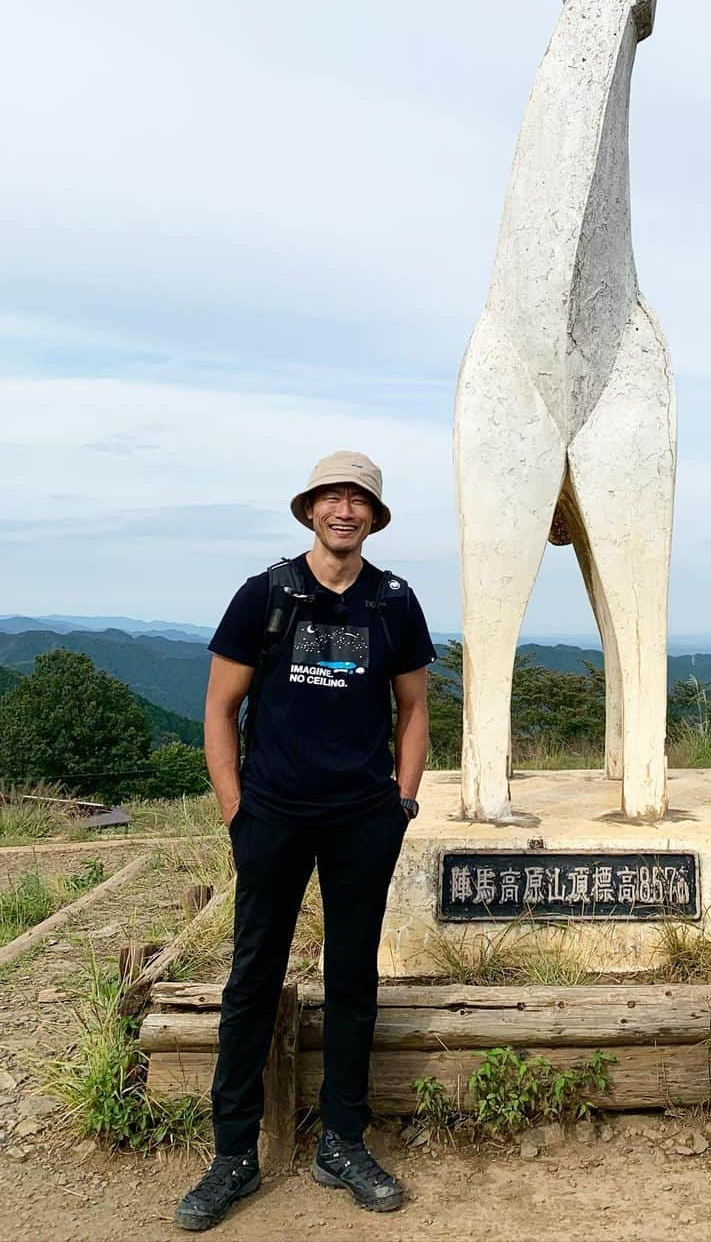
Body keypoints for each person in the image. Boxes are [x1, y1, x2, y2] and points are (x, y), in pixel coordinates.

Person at [174, 451, 435, 1232]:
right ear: (310, 510)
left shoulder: (394, 603)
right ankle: (232, 1155)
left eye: (358, 500)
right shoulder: (266, 595)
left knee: (354, 979)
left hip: (363, 819)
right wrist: (236, 812)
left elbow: (415, 708)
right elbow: (219, 709)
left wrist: (404, 804)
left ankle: (343, 1143)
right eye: (332, 497)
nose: (344, 510)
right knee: (251, 978)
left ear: (374, 517)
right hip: (274, 817)